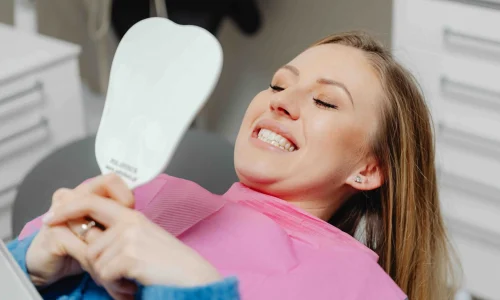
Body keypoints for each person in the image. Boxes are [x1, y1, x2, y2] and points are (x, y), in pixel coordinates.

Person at [8, 31, 459, 300]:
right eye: (277, 85)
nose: (281, 102)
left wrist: (195, 286)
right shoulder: (147, 190)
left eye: (324, 100)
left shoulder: (359, 286)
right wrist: (28, 266)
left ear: (367, 169)